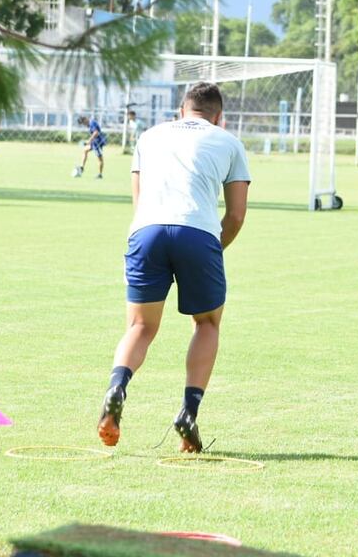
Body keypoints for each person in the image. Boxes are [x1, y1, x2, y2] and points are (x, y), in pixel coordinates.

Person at [97, 82, 250, 453]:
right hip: (198, 234)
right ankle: (188, 412)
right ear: (219, 116)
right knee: (207, 323)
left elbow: (138, 202)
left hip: (146, 232)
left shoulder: (149, 136)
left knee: (140, 326)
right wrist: (212, 249)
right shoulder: (229, 142)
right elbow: (235, 215)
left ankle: (117, 387)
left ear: (182, 110)